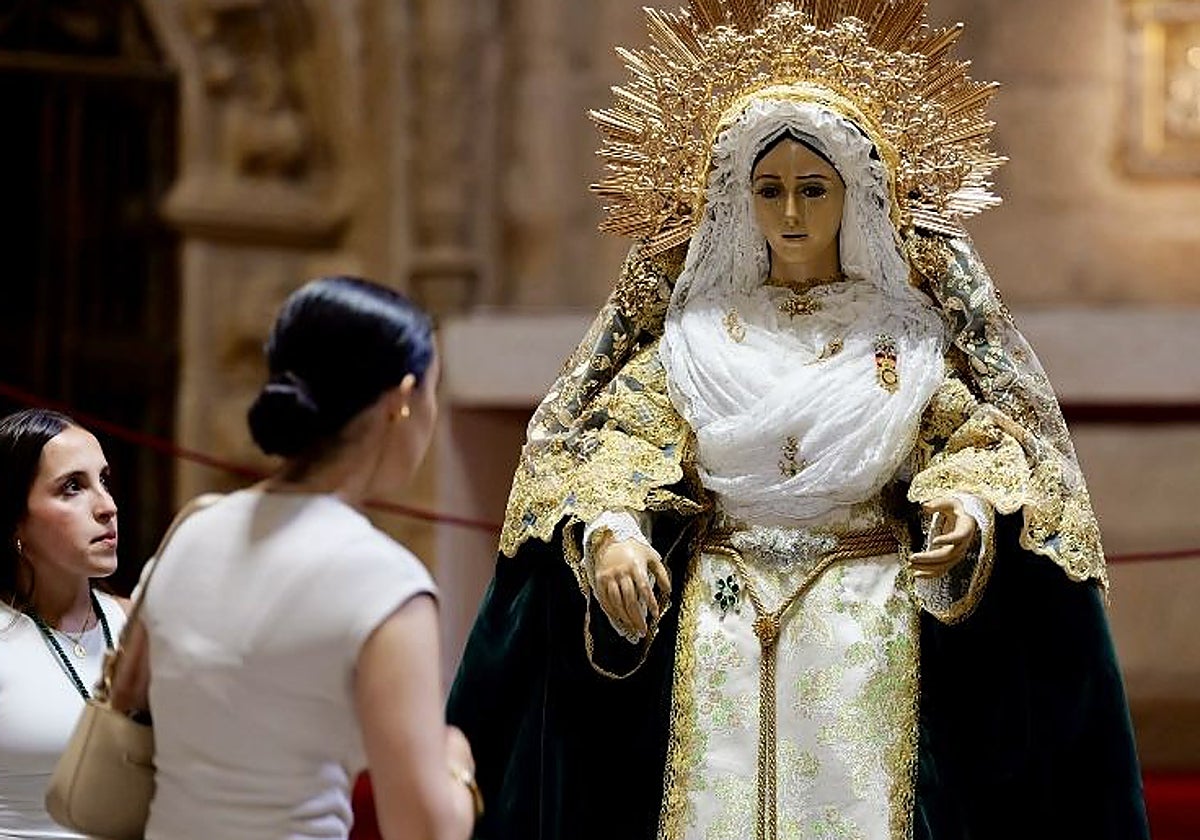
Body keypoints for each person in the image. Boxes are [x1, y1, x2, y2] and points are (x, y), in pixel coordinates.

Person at [447, 2, 1149, 839]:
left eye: (813, 189)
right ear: (739, 199)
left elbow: (976, 436)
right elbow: (614, 439)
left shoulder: (904, 336)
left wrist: (964, 504)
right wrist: (611, 530)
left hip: (863, 613)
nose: (790, 214)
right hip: (721, 610)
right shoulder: (696, 334)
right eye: (769, 190)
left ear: (856, 195)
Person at [112, 276, 479, 840]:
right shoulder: (383, 578)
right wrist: (456, 764)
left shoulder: (192, 529)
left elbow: (128, 695)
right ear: (403, 402)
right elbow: (424, 829)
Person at [0, 408, 127, 839]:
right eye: (72, 487)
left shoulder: (139, 623)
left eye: (104, 481)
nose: (107, 507)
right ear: (16, 517)